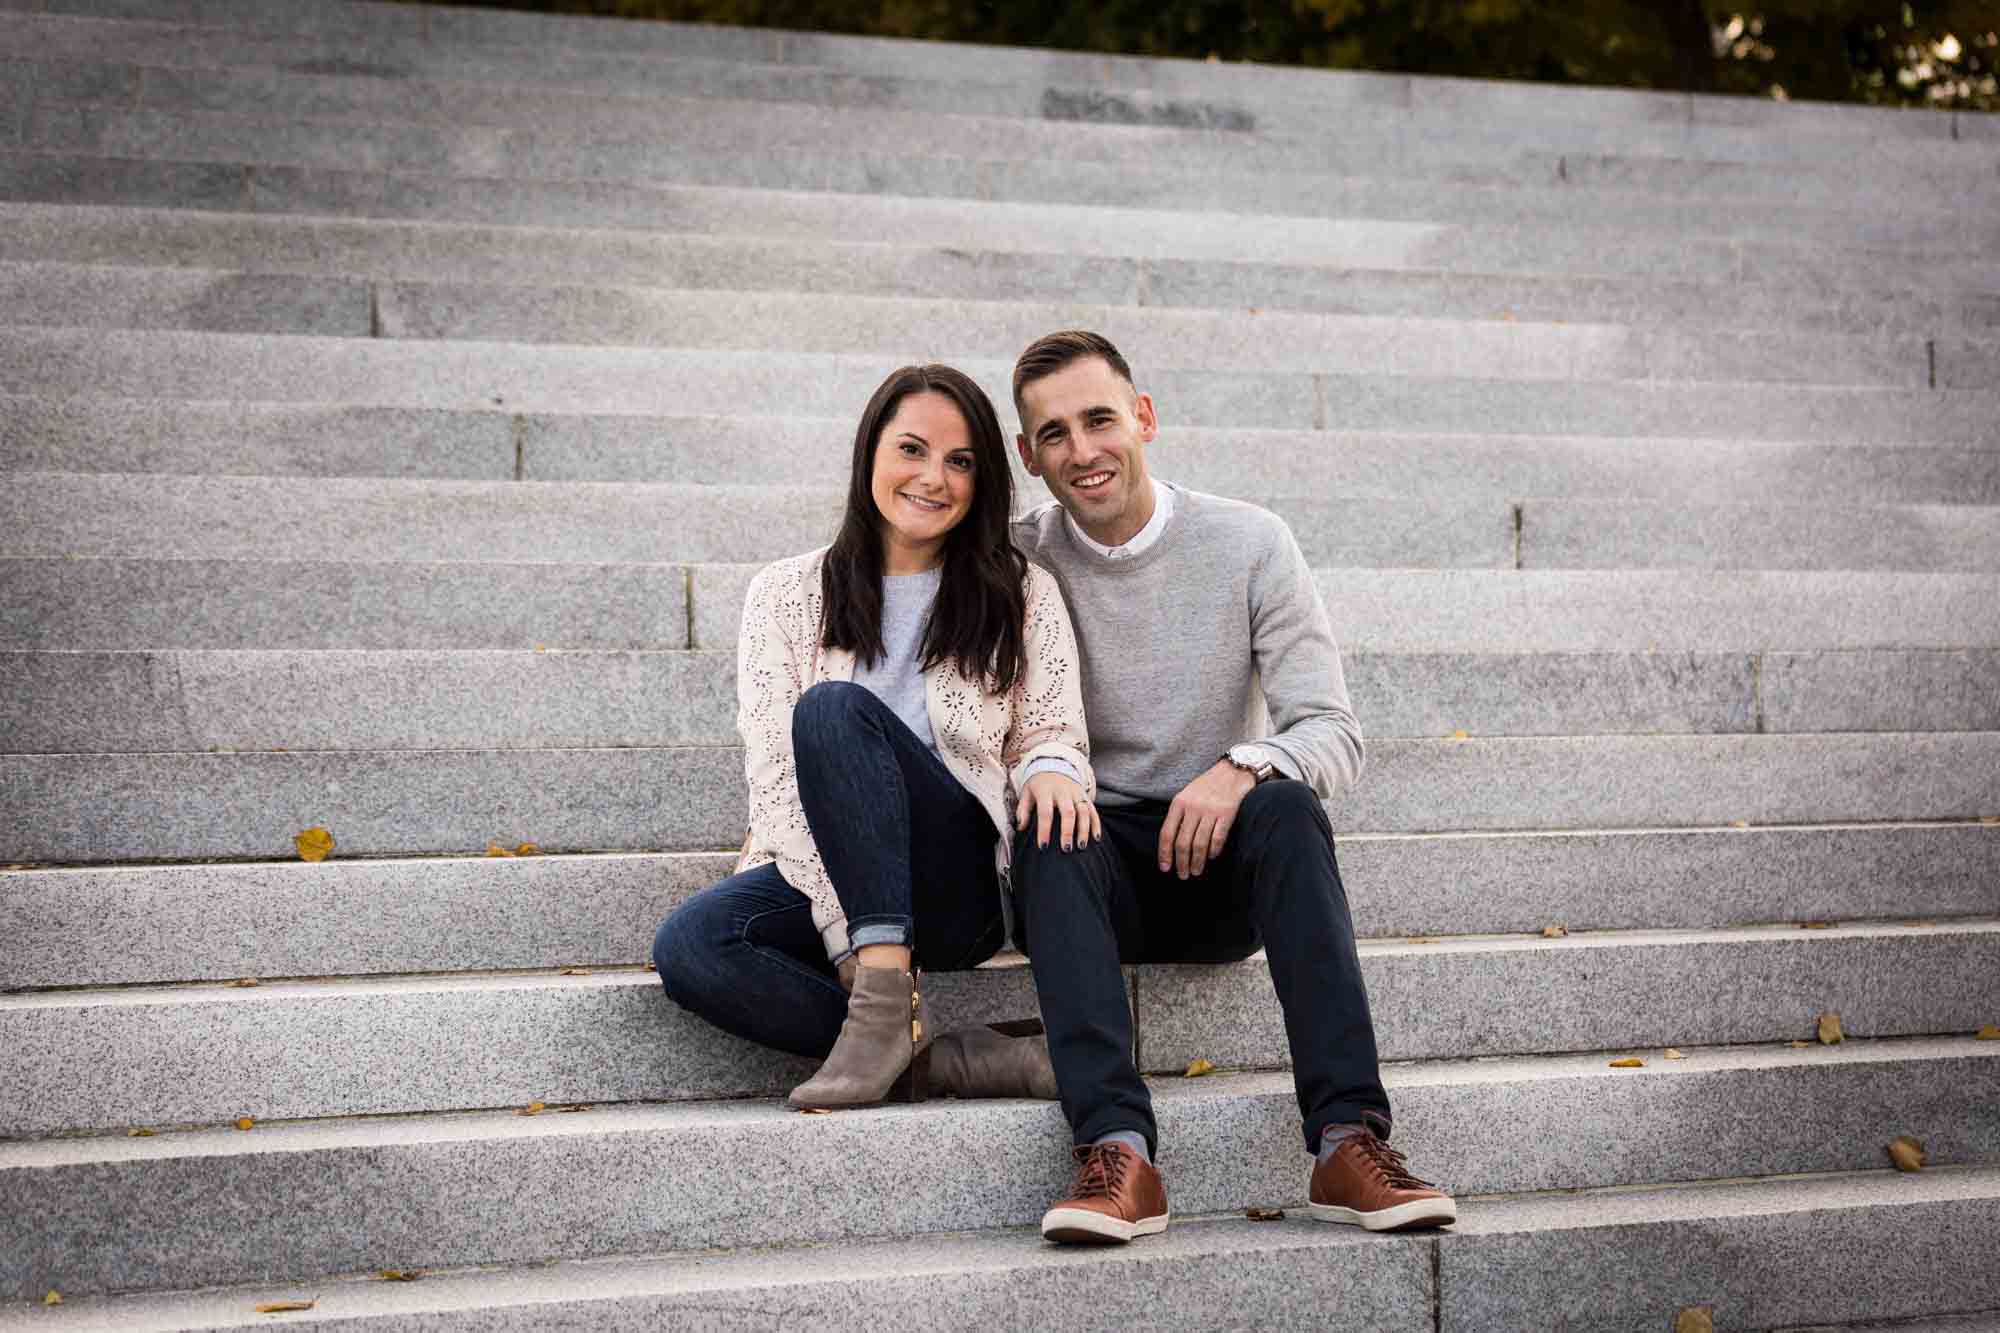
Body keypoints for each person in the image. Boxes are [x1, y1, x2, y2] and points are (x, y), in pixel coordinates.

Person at [1006, 330, 1457, 1244]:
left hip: (1215, 871)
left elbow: (1332, 732)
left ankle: (1346, 1139)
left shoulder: (1251, 541)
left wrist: (1241, 764)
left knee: (1287, 802)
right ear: (1027, 456)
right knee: (1050, 824)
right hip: (1084, 876)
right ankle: (1117, 1151)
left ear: (1144, 417)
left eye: (1099, 419)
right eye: (1053, 434)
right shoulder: (1017, 557)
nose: (1082, 450)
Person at [653, 363, 1095, 1110]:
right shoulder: (785, 595)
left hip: (955, 881)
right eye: (912, 449)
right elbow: (778, 786)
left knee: (832, 709)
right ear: (871, 457)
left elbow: (1052, 727)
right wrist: (847, 936)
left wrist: (1052, 766)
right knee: (693, 946)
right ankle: (938, 1057)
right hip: (823, 868)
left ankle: (885, 1008)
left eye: (960, 462)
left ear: (984, 480)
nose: (933, 477)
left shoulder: (1019, 591)